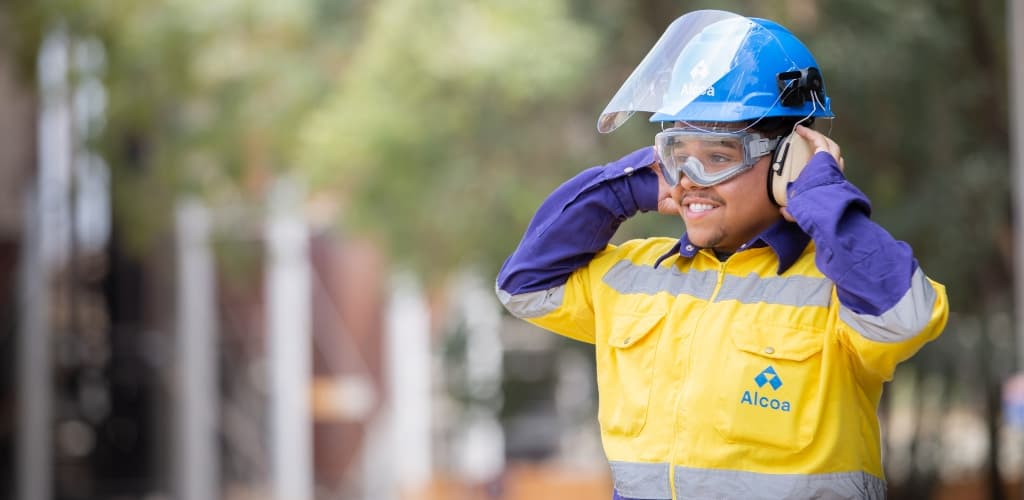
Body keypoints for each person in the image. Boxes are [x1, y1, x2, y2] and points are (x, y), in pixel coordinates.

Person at [494, 9, 948, 500]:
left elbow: (904, 316)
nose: (689, 178)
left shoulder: (840, 281)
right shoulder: (635, 273)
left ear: (785, 162)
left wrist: (819, 195)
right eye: (676, 153)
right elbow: (524, 286)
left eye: (717, 157)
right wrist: (627, 188)